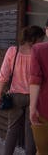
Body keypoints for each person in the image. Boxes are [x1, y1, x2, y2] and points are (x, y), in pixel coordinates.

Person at [0, 26, 45, 155]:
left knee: (12, 129)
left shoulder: (13, 51)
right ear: (36, 38)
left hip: (15, 96)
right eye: (42, 38)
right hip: (35, 96)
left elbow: (4, 75)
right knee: (31, 131)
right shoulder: (39, 52)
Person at [31, 21, 48, 154]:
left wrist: (32, 108)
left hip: (44, 109)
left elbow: (35, 81)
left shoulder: (39, 49)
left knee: (43, 151)